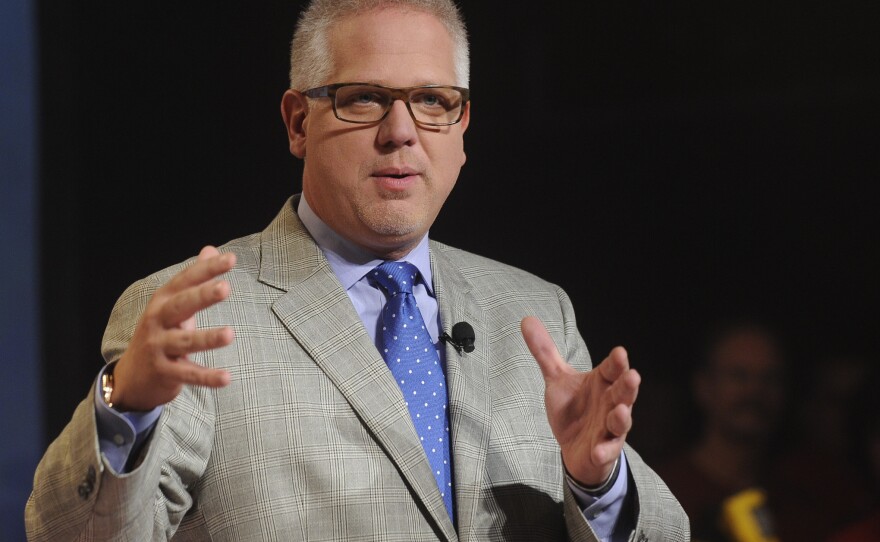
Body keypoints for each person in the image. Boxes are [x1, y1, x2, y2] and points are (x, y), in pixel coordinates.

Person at [25, 1, 689, 540]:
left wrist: (596, 484)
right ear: (298, 123)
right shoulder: (196, 313)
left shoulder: (533, 311)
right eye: (365, 98)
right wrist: (127, 409)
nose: (401, 131)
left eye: (432, 100)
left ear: (462, 126)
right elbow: (70, 536)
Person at [654, 319, 789, 542]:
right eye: (739, 376)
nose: (755, 390)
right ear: (704, 386)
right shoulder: (661, 495)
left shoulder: (799, 494)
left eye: (769, 378)